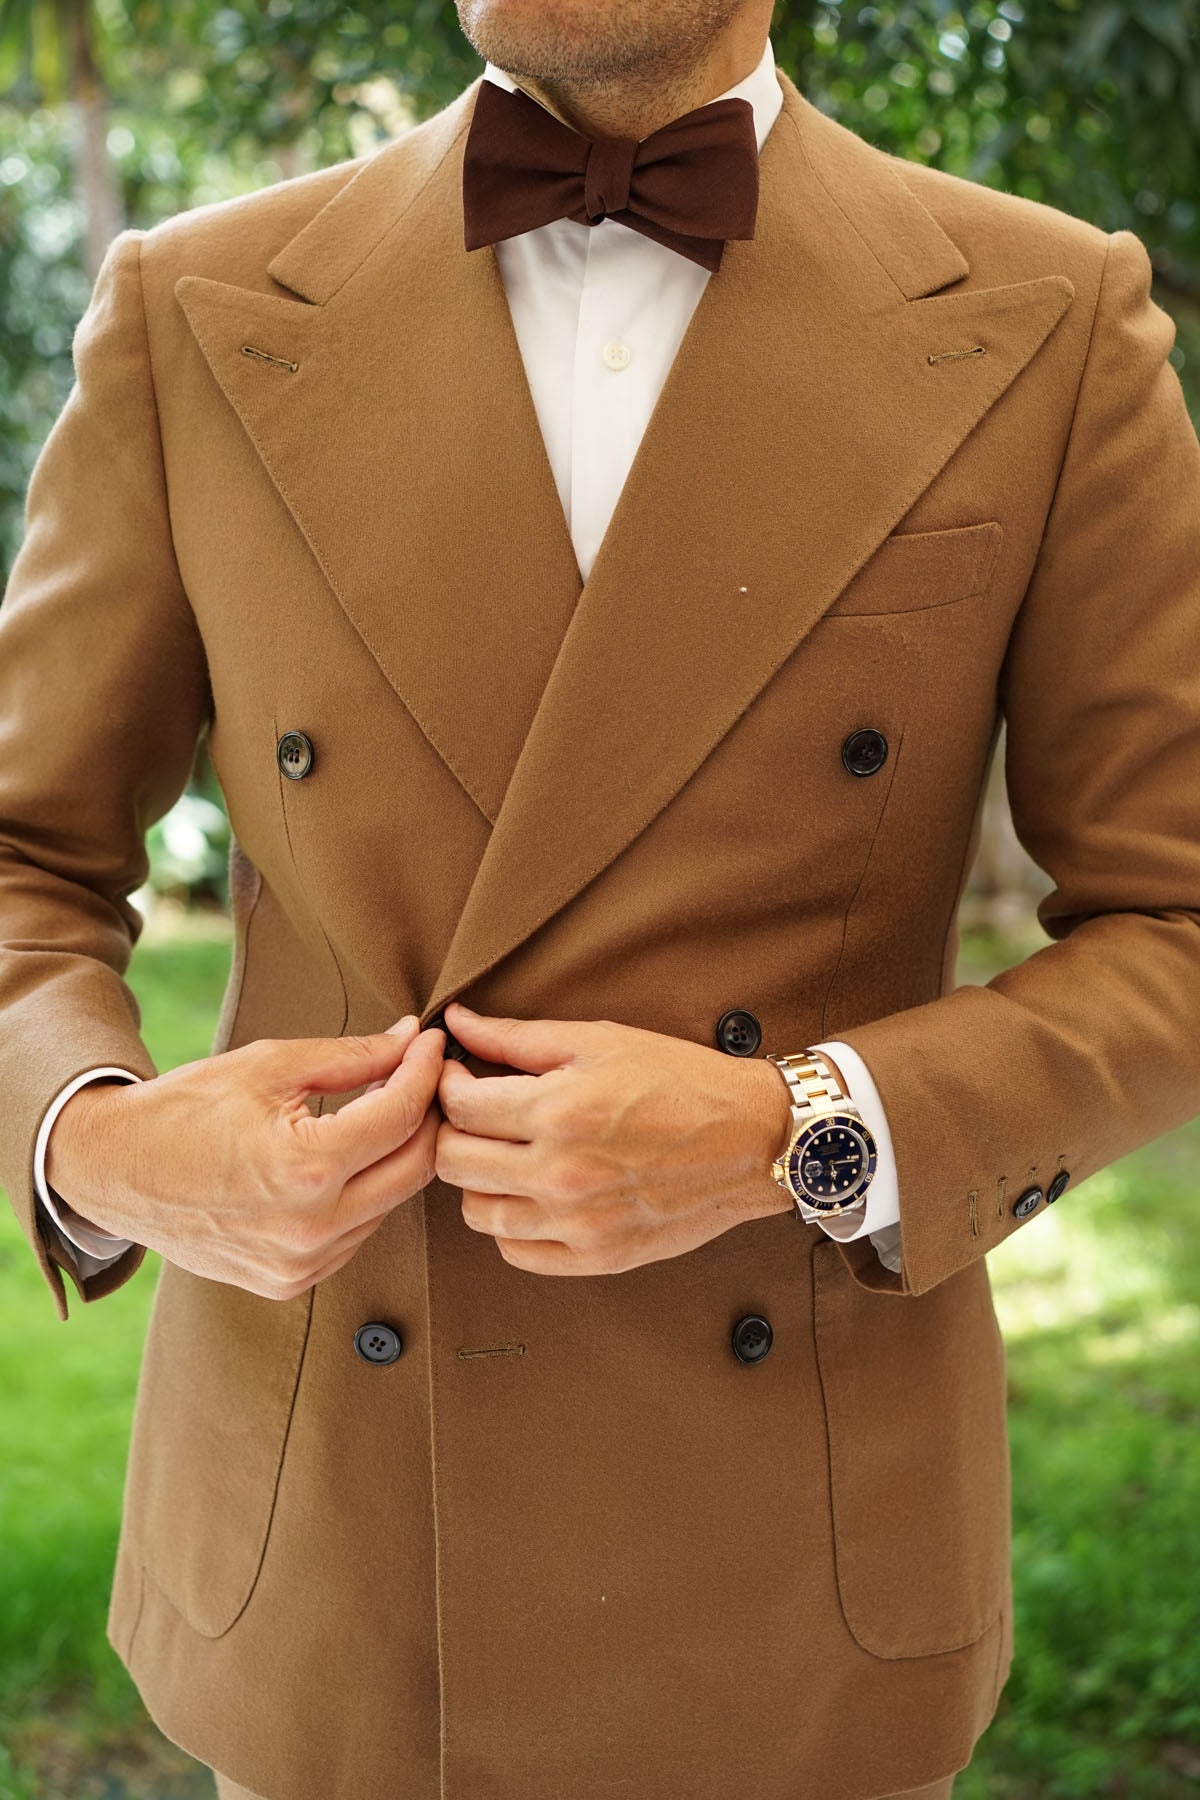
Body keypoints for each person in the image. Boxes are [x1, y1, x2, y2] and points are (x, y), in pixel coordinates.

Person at [1, 0, 1198, 1795]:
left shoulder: (1046, 317)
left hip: (791, 1593)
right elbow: (24, 861)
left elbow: (1173, 925)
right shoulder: (194, 309)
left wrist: (797, 1129)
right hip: (336, 1569)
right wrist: (103, 1143)